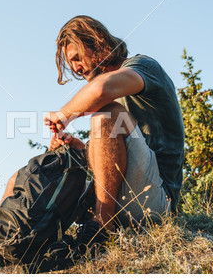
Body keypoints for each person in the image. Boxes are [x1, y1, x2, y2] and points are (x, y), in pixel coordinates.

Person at [38, 15, 185, 253]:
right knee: (33, 176)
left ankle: (101, 226)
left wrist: (64, 114)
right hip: (125, 195)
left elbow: (101, 90)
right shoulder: (113, 106)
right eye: (71, 63)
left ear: (97, 42)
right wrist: (78, 149)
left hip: (157, 200)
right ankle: (3, 241)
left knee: (107, 114)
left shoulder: (143, 66)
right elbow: (113, 161)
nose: (75, 68)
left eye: (76, 58)